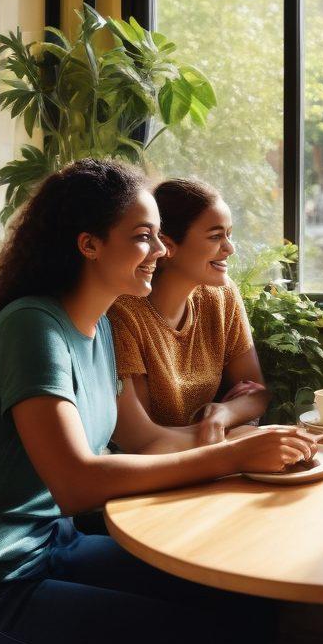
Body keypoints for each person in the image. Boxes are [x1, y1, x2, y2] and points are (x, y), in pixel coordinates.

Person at [0, 158, 318, 644]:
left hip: (55, 546)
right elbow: (77, 483)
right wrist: (233, 458)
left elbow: (144, 443)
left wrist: (242, 439)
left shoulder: (98, 327)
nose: (159, 250)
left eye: (158, 236)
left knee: (248, 599)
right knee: (209, 633)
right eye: (143, 237)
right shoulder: (31, 329)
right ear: (89, 244)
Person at [108, 178, 270, 451]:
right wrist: (228, 439)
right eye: (216, 236)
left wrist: (223, 414)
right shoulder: (124, 313)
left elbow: (257, 392)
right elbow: (142, 440)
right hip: (154, 469)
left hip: (207, 452)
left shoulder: (222, 295)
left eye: (229, 234)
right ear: (168, 246)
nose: (230, 248)